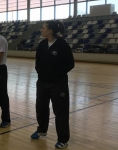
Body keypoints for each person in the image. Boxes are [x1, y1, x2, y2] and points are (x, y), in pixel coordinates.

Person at [31, 20, 74, 149]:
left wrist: (56, 75)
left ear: (50, 30)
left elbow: (70, 64)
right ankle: (42, 130)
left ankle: (63, 139)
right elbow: (37, 61)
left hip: (58, 84)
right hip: (42, 83)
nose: (41, 30)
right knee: (41, 108)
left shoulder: (62, 45)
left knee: (60, 111)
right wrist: (40, 73)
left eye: (43, 28)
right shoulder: (42, 45)